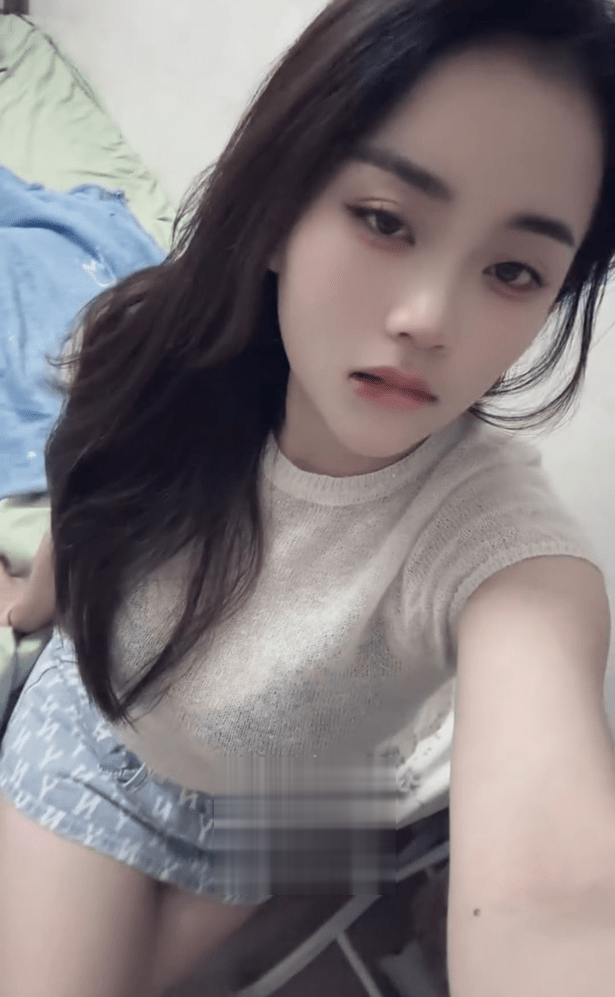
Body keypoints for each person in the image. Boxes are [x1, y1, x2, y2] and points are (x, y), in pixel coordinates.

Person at [1, 0, 615, 994]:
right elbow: (92, 497)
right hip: (106, 743)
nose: (427, 317)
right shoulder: (149, 352)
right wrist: (32, 604)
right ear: (282, 208)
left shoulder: (500, 547)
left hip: (284, 809)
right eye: (384, 220)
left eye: (512, 270)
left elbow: (559, 901)